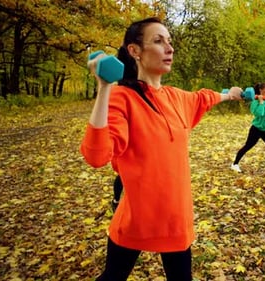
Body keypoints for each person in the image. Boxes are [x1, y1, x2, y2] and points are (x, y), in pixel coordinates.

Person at [80, 17, 243, 281]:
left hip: (175, 219)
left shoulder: (177, 97)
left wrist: (229, 94)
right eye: (158, 41)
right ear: (135, 51)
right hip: (135, 219)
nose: (169, 48)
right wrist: (104, 88)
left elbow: (204, 97)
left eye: (169, 41)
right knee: (112, 277)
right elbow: (97, 156)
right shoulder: (123, 98)